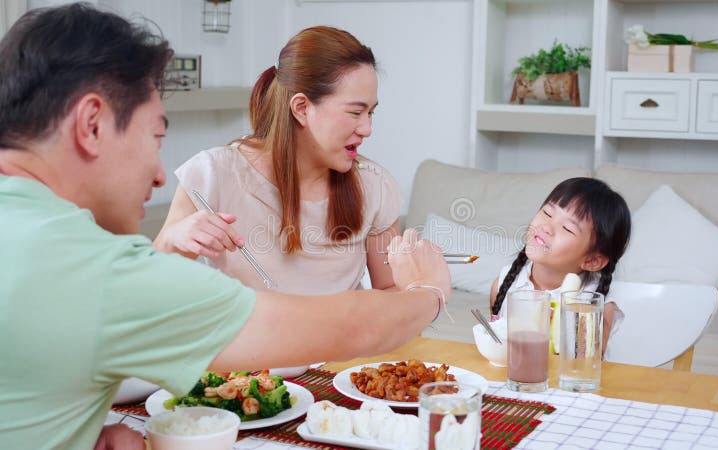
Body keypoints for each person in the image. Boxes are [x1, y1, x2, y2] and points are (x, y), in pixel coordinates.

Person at [0, 4, 449, 450]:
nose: (159, 175)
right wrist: (431, 291)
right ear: (91, 124)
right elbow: (353, 331)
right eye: (154, 137)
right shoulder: (102, 270)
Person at [154, 26, 401, 294]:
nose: (367, 129)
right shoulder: (213, 174)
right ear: (302, 108)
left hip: (346, 336)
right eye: (356, 112)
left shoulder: (374, 185)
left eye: (371, 113)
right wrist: (172, 239)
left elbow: (391, 293)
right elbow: (152, 291)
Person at [489, 177, 631, 352]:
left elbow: (586, 368)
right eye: (548, 213)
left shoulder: (595, 305)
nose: (547, 227)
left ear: (592, 260)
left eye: (568, 229)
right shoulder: (503, 285)